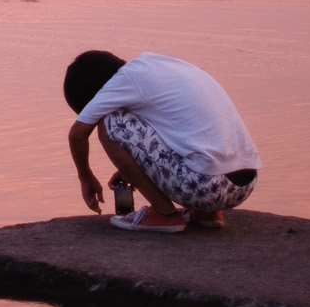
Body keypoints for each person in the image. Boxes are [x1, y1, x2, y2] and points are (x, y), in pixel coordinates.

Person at [65, 49, 261, 233]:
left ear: (97, 93)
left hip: (205, 188)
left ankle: (164, 214)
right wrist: (135, 167)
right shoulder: (157, 67)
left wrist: (85, 177)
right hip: (244, 186)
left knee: (110, 123)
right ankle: (207, 213)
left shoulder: (121, 82)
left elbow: (77, 135)